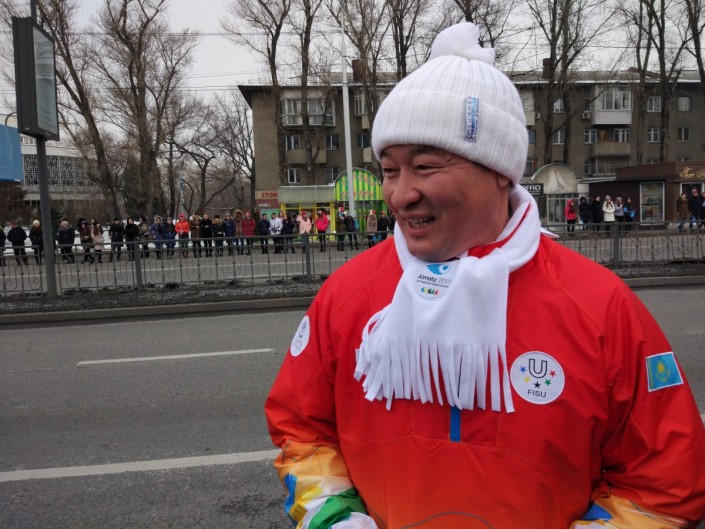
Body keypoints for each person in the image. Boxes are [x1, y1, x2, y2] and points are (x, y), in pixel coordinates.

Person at [265, 22, 705, 529]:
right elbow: (301, 431)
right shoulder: (348, 294)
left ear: (499, 170)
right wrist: (334, 519)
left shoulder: (599, 306)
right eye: (389, 170)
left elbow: (665, 484)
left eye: (425, 166)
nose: (400, 194)